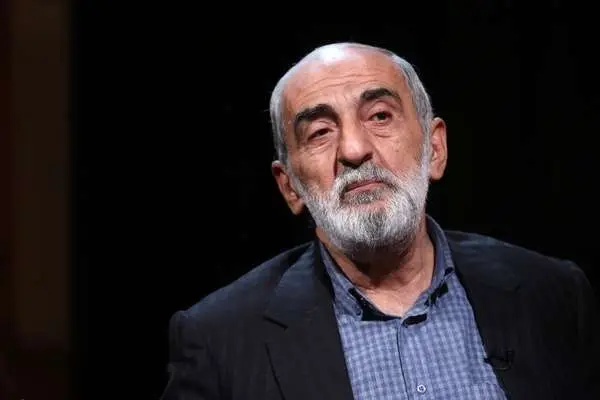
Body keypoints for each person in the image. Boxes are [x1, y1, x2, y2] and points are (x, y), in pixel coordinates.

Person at [160, 42, 599, 400]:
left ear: (435, 149)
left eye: (380, 116)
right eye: (320, 132)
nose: (354, 149)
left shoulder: (553, 295)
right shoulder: (219, 342)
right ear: (289, 186)